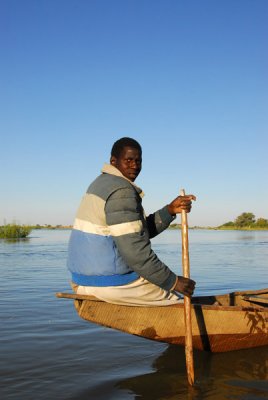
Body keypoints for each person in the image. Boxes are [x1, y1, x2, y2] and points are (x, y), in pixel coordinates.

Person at [67, 137, 196, 306]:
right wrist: (173, 281)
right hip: (110, 283)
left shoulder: (99, 184)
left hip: (82, 280)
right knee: (178, 303)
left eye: (138, 161)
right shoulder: (121, 191)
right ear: (114, 161)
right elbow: (135, 251)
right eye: (128, 160)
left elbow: (138, 234)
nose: (134, 165)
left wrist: (170, 210)